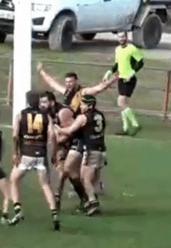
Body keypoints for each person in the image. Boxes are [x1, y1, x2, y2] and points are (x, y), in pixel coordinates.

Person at [9, 91, 60, 231]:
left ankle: (18, 209)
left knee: (14, 180)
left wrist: (15, 152)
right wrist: (54, 153)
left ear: (27, 101)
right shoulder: (46, 116)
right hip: (41, 155)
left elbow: (15, 136)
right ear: (38, 101)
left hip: (26, 154)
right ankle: (54, 214)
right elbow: (53, 136)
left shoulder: (20, 115)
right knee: (45, 185)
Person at [55, 95, 105, 216]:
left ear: (90, 105)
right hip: (101, 149)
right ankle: (90, 200)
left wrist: (56, 128)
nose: (81, 106)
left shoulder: (83, 117)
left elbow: (69, 131)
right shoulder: (100, 115)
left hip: (91, 150)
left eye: (83, 104)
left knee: (85, 179)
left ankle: (93, 202)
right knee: (87, 178)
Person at [39, 91, 88, 211]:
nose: (42, 105)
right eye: (41, 102)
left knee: (65, 170)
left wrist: (59, 141)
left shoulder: (63, 112)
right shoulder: (48, 113)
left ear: (52, 101)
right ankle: (86, 199)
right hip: (62, 144)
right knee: (70, 173)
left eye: (45, 102)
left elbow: (72, 131)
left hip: (76, 142)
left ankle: (57, 199)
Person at [103, 32, 143, 136]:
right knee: (121, 104)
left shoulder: (132, 49)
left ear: (126, 37)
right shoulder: (117, 49)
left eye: (123, 36)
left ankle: (135, 124)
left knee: (121, 101)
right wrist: (109, 72)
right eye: (119, 37)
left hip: (129, 79)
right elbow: (117, 64)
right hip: (121, 78)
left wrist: (131, 74)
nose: (121, 39)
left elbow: (140, 62)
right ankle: (125, 128)